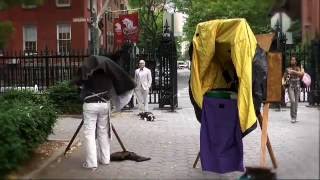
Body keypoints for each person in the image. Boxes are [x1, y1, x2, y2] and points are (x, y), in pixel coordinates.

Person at [73, 56, 136, 170]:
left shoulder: (87, 72)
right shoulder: (109, 73)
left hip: (90, 105)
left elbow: (78, 84)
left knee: (90, 134)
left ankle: (91, 163)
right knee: (103, 132)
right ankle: (105, 159)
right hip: (104, 105)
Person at [283, 56, 304, 123]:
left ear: (296, 61)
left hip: (297, 87)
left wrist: (293, 72)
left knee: (296, 103)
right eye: (291, 60)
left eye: (294, 60)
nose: (292, 61)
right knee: (293, 101)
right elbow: (284, 77)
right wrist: (286, 76)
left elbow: (302, 74)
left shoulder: (300, 68)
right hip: (290, 86)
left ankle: (294, 117)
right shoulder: (288, 68)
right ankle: (292, 117)